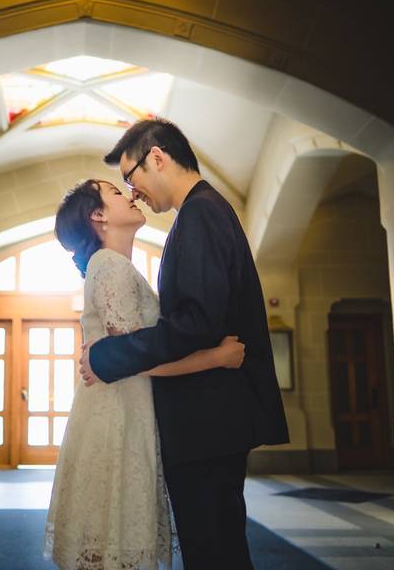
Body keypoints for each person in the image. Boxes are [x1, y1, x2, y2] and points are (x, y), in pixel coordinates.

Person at [79, 118, 290, 569]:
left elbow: (195, 322)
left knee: (214, 551)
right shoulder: (200, 213)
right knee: (217, 548)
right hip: (209, 420)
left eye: (130, 178)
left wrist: (107, 356)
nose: (133, 191)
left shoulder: (200, 213)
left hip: (208, 421)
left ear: (156, 158)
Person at [44, 178, 246, 570]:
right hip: (117, 415)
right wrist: (216, 357)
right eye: (117, 193)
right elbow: (132, 357)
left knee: (112, 541)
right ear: (98, 215)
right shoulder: (110, 265)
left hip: (127, 408)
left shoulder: (115, 267)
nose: (132, 195)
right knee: (111, 541)